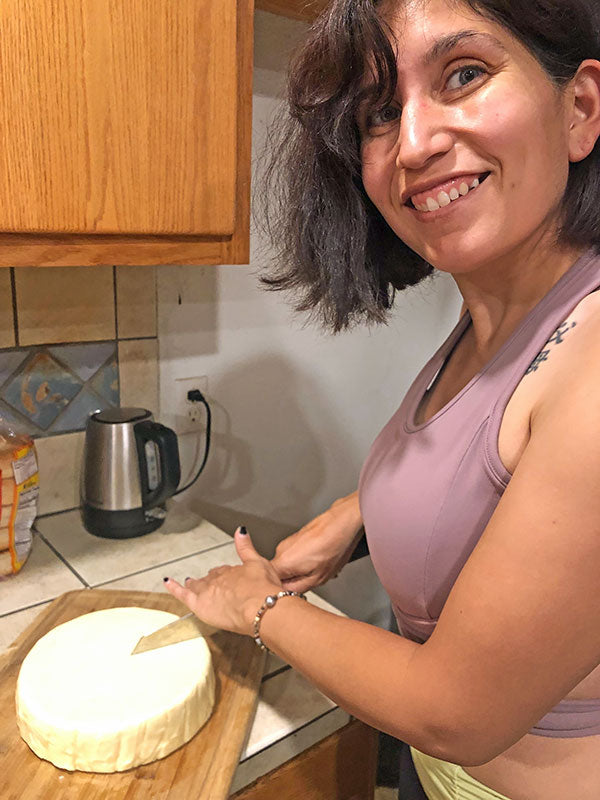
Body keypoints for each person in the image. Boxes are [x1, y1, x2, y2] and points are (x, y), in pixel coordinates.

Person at [164, 0, 600, 797]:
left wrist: (259, 605)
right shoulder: (494, 319)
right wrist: (355, 516)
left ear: (580, 110)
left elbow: (457, 710)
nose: (413, 143)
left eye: (463, 74)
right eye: (377, 114)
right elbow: (488, 467)